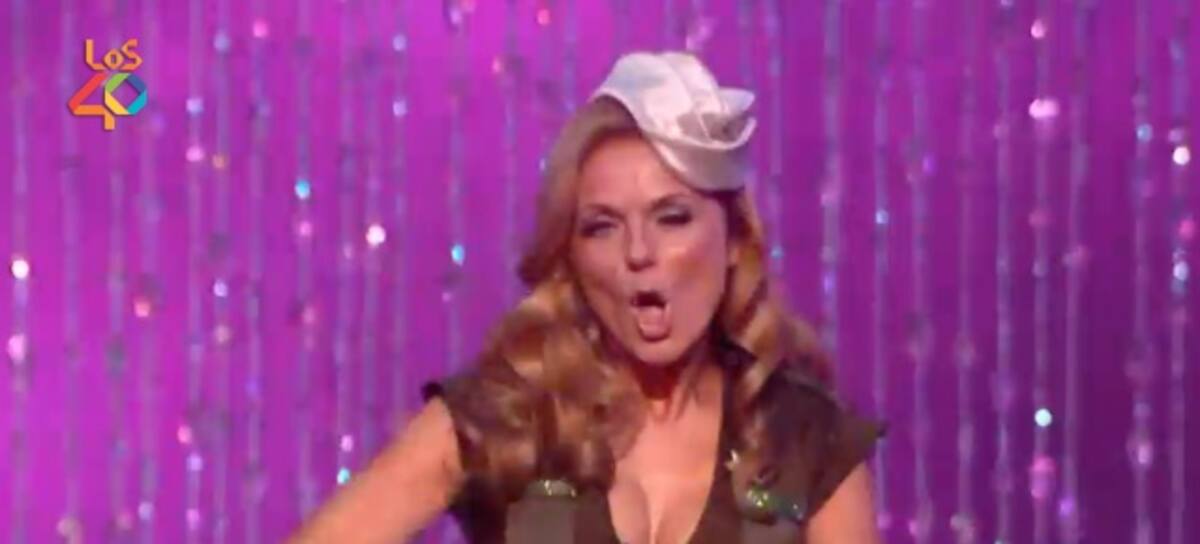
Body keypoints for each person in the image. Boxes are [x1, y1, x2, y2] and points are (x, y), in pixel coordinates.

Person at [291, 51, 884, 544]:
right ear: (571, 255)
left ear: (733, 239)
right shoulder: (510, 415)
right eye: (602, 226)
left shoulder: (806, 439)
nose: (638, 252)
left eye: (672, 218)